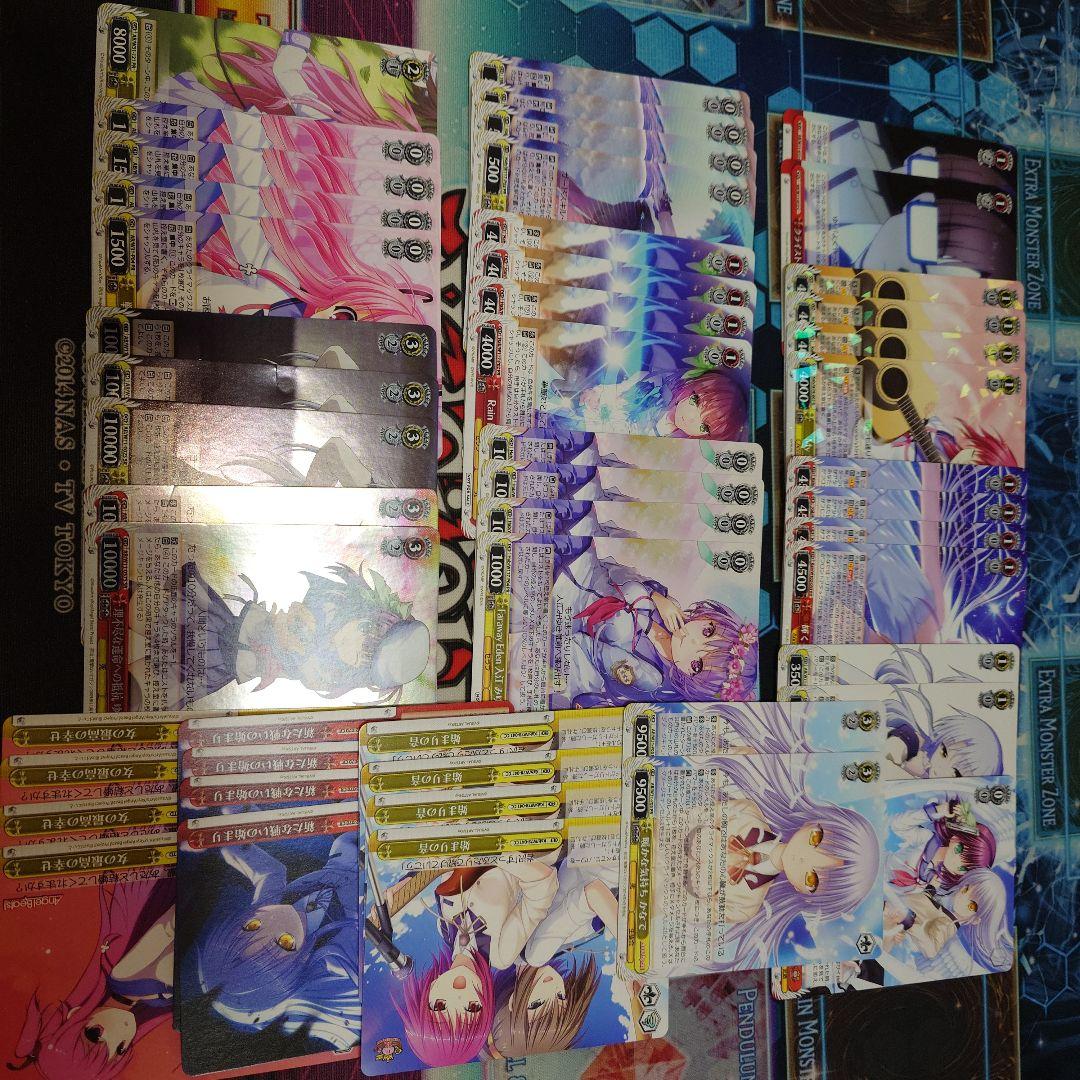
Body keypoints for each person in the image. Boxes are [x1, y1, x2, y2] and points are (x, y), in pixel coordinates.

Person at [681, 755, 881, 970]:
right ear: (813, 821)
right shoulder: (748, 813)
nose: (804, 858)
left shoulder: (746, 905)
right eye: (816, 838)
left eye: (812, 878)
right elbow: (685, 818)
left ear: (804, 894)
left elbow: (688, 912)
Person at [173, 561, 430, 708]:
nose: (353, 643)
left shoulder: (323, 672)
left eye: (363, 656)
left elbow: (307, 673)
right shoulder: (324, 610)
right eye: (367, 630)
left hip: (229, 661)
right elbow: (288, 619)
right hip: (229, 629)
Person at [191, 834, 361, 1050]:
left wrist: (222, 838)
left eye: (251, 926)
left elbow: (271, 872)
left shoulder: (267, 906)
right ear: (300, 962)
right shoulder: (341, 949)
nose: (274, 918)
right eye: (285, 942)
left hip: (344, 854)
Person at [548, 538, 758, 707]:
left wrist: (640, 602)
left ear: (693, 683)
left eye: (697, 664)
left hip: (563, 625)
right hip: (583, 573)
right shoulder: (671, 610)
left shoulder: (650, 679)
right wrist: (656, 596)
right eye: (708, 631)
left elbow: (582, 648)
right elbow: (615, 570)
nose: (692, 641)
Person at [9, 880, 174, 1078]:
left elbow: (169, 928)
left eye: (95, 1034)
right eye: (120, 1048)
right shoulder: (155, 1003)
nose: (119, 1034)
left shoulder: (124, 975)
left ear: (75, 1014)